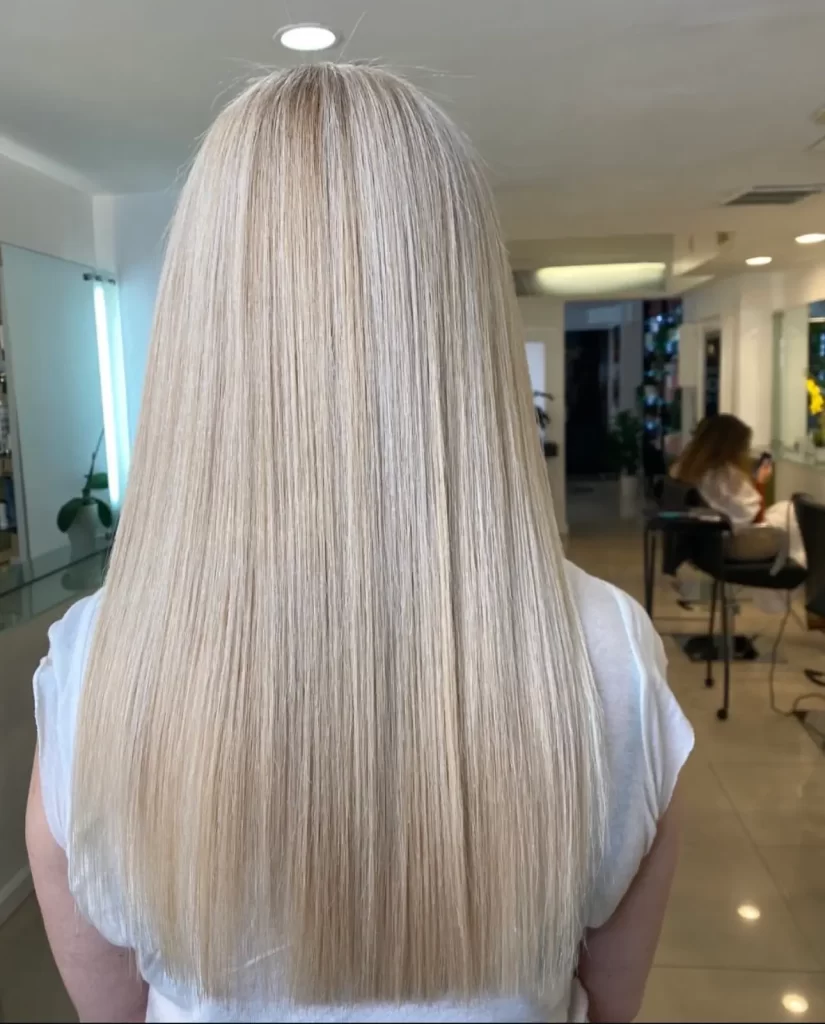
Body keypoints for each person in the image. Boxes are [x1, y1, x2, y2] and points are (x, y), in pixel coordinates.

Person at [26, 64, 692, 1023]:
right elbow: (610, 1011)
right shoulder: (607, 656)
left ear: (202, 322)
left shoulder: (96, 667)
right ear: (464, 317)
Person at [672, 414, 805, 568]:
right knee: (794, 510)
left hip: (710, 544)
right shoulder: (726, 474)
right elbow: (756, 517)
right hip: (737, 545)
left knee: (784, 508)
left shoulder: (694, 470)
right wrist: (760, 483)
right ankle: (805, 569)